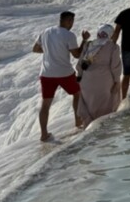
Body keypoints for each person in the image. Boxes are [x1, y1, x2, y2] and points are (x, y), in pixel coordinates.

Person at [32, 11, 89, 142]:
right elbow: (76, 54)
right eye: (72, 21)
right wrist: (84, 40)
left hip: (46, 73)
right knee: (76, 94)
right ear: (68, 21)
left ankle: (44, 134)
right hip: (64, 73)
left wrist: (50, 51)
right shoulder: (69, 35)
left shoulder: (45, 32)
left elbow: (35, 49)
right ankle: (78, 123)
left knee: (45, 104)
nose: (72, 24)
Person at [76, 24, 122, 127]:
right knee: (106, 105)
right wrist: (117, 82)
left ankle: (88, 126)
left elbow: (80, 63)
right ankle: (104, 130)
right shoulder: (113, 47)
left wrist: (79, 76)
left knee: (89, 104)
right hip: (104, 80)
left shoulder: (88, 45)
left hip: (87, 80)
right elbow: (115, 66)